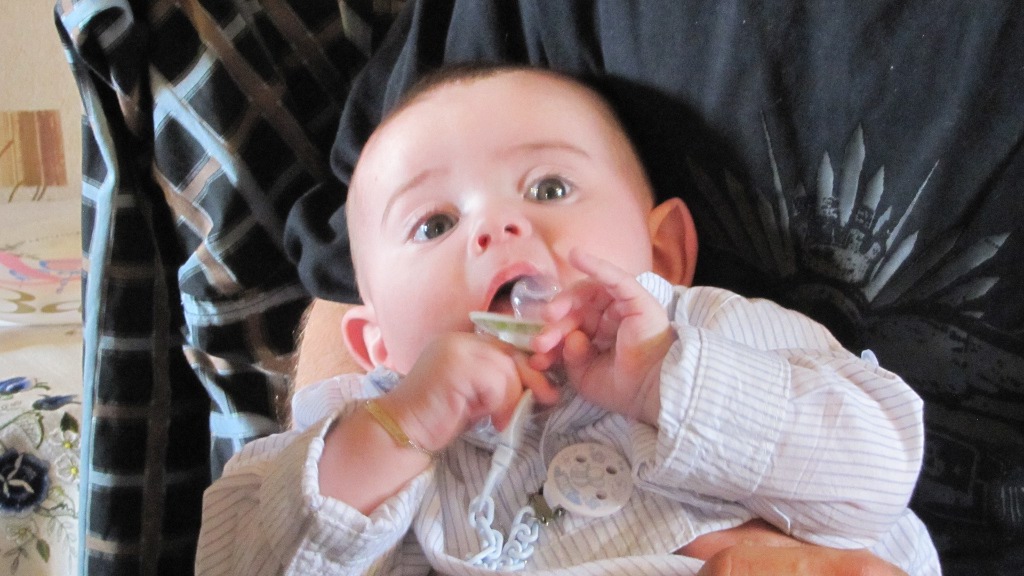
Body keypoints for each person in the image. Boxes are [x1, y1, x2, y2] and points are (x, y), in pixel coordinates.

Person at [196, 64, 939, 575]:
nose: (496, 228)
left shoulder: (716, 331)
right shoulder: (372, 431)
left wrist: (669, 379)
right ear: (376, 342)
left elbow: (880, 472)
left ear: (662, 252)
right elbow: (239, 559)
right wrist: (396, 429)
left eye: (549, 188)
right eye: (435, 224)